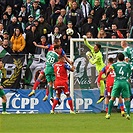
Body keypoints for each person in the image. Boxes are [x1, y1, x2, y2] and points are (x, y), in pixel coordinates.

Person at [105, 53, 131, 120]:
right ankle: (128, 114)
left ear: (117, 58)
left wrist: (106, 76)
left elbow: (108, 71)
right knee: (126, 99)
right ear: (123, 58)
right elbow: (130, 70)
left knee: (112, 98)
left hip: (117, 82)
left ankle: (108, 114)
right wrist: (128, 76)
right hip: (125, 82)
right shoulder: (127, 64)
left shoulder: (114, 64)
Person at [83, 35, 105, 104]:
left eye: (95, 47)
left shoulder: (99, 55)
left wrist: (89, 56)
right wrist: (85, 39)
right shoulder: (93, 49)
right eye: (94, 46)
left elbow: (92, 62)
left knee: (101, 81)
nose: (94, 47)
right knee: (102, 81)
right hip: (99, 69)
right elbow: (87, 44)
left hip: (102, 69)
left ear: (98, 49)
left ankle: (102, 95)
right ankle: (103, 94)